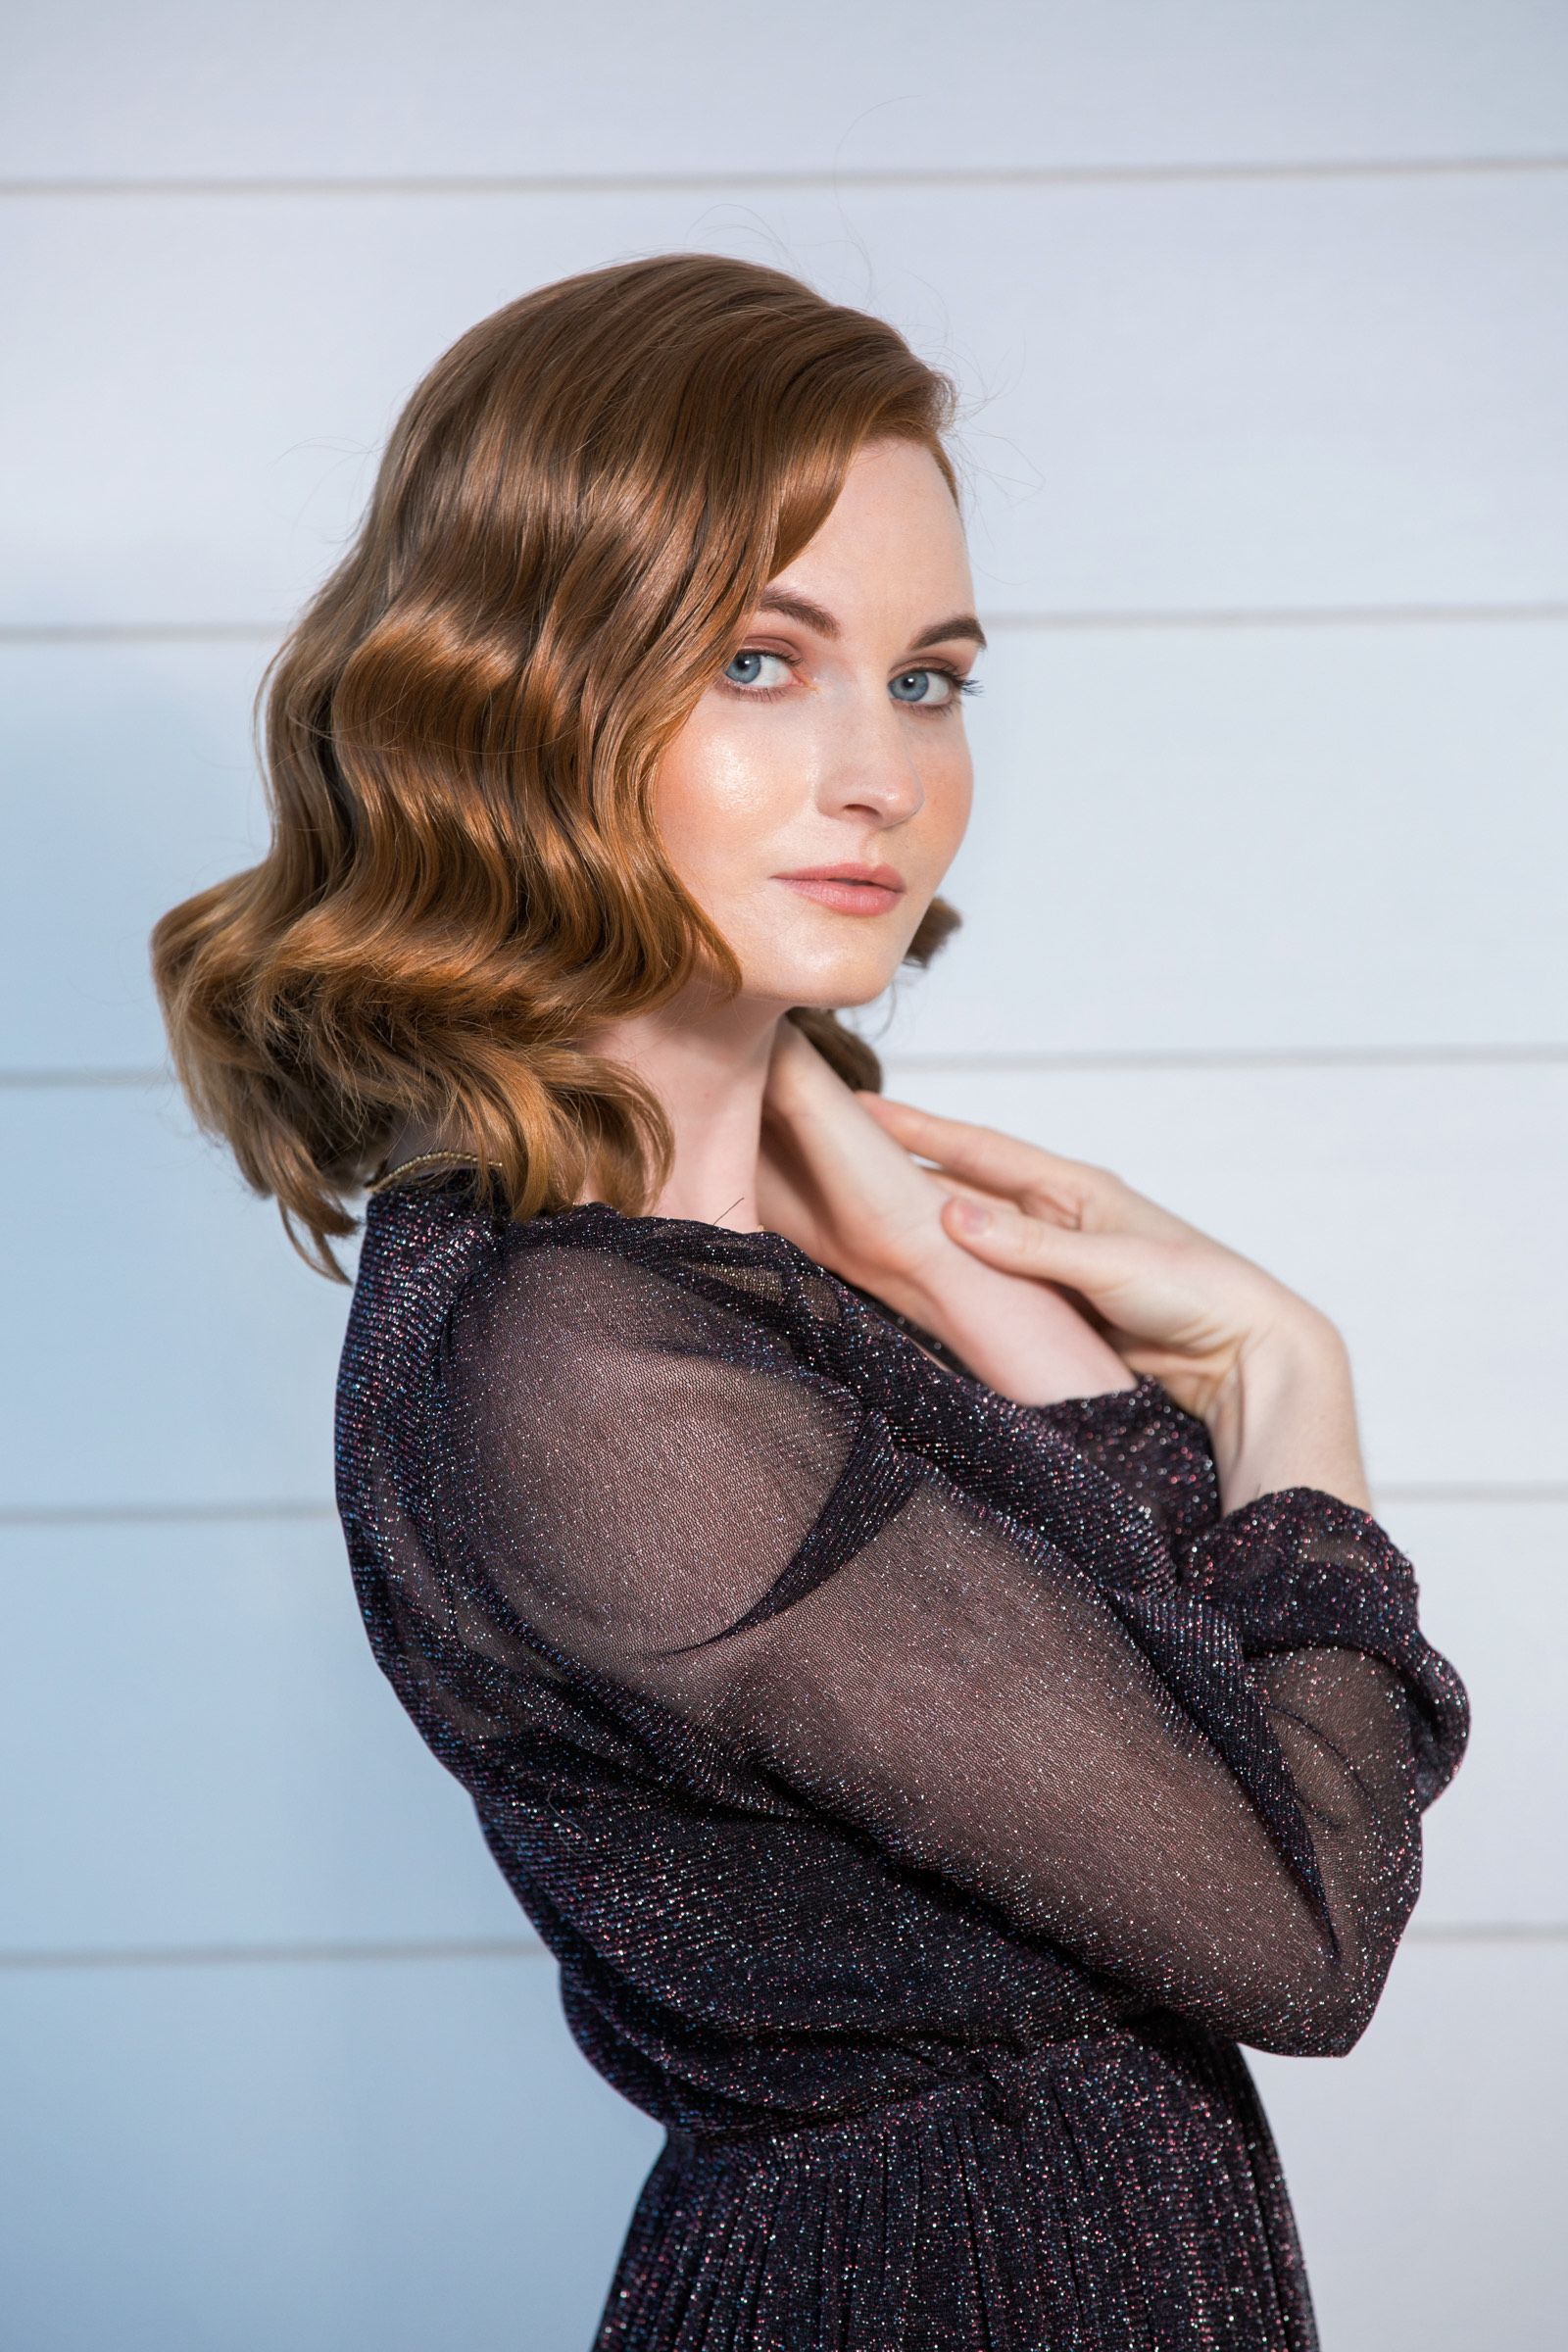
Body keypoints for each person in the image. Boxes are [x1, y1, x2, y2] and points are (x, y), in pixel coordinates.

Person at [150, 253, 1469, 2351]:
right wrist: (1287, 1385)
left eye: (927, 677)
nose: (881, 772)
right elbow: (1293, 1920)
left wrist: (960, 1287)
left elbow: (1174, 1743)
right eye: (762, 665)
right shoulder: (590, 1367)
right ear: (521, 686)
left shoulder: (759, 1295)